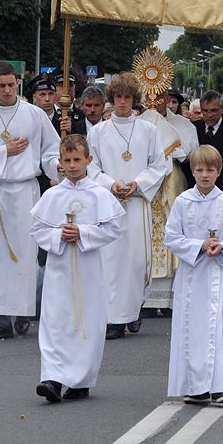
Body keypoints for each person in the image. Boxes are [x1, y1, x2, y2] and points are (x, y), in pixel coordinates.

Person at [0, 62, 60, 340]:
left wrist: (58, 168)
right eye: (1, 85)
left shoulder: (34, 115)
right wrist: (3, 151)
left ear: (17, 82)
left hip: (25, 192)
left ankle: (23, 311)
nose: (7, 90)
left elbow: (50, 151)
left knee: (25, 255)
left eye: (11, 84)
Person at [30, 135, 124, 403]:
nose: (72, 165)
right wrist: (57, 235)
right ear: (60, 162)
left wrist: (83, 232)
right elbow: (37, 229)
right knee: (55, 320)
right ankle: (52, 378)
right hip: (58, 268)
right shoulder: (52, 195)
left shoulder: (98, 194)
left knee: (86, 320)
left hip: (88, 269)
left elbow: (113, 228)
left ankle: (80, 380)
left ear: (88, 160)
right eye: (67, 160)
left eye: (77, 160)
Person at [165, 145, 223, 407]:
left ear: (219, 172)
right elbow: (172, 237)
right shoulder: (183, 201)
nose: (204, 175)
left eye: (210, 170)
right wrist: (199, 245)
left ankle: (220, 386)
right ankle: (196, 387)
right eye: (199, 170)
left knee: (217, 325)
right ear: (192, 171)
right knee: (191, 327)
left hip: (217, 273)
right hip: (191, 274)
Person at [86, 72, 165, 339]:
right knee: (110, 260)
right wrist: (109, 185)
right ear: (112, 98)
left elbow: (159, 165)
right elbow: (91, 167)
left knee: (135, 261)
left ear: (134, 99)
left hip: (136, 204)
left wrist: (138, 183)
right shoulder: (98, 131)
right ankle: (114, 319)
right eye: (118, 97)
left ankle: (134, 308)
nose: (122, 102)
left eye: (127, 97)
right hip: (109, 204)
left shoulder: (148, 130)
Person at [139, 89, 198, 313]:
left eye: (160, 96)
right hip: (145, 186)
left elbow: (190, 154)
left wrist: (170, 149)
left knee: (170, 232)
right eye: (150, 95)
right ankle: (143, 299)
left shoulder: (183, 124)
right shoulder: (137, 122)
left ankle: (168, 300)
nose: (155, 101)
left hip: (171, 184)